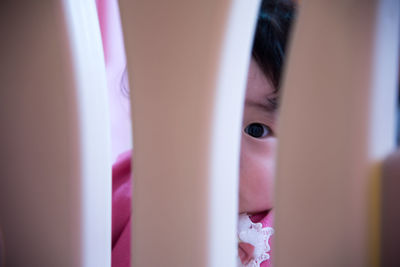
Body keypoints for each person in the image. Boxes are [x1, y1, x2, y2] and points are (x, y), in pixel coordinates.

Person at [111, 1, 296, 266]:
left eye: (256, 130)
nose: (218, 150)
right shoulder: (132, 184)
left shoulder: (298, 227)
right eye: (194, 121)